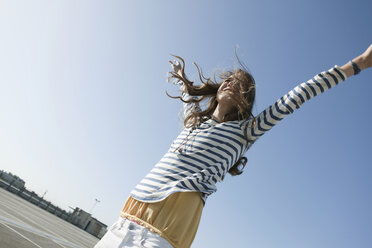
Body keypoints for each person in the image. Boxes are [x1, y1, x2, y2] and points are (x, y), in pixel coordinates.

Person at [94, 44, 372, 248]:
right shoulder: (194, 123)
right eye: (228, 79)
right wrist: (182, 78)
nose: (230, 82)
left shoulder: (246, 131)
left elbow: (297, 96)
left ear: (246, 100)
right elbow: (187, 97)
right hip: (128, 214)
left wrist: (358, 63)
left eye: (240, 84)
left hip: (163, 230)